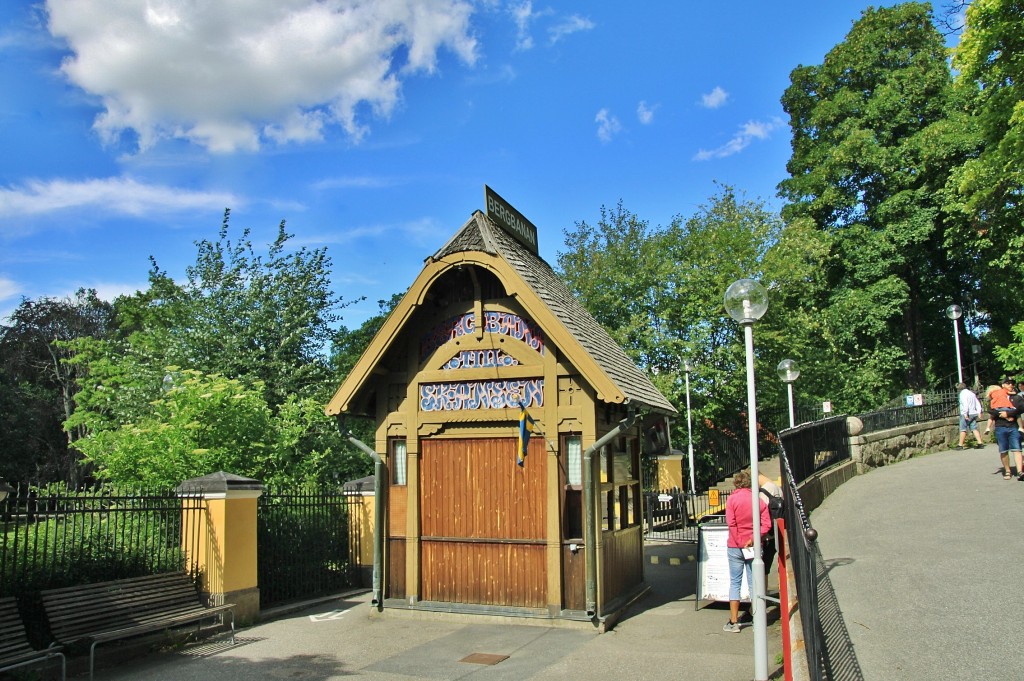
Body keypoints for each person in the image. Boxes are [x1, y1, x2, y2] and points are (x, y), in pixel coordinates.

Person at [723, 469, 770, 633]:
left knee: (735, 582)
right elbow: (766, 525)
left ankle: (734, 621)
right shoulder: (758, 501)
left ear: (736, 483)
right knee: (754, 583)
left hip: (735, 546)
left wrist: (740, 541)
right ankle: (757, 619)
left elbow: (731, 523)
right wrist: (752, 539)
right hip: (754, 547)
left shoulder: (732, 500)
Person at [989, 377, 1022, 480]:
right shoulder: (996, 395)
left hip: (1014, 427)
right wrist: (1001, 414)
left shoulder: (1016, 397)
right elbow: (991, 410)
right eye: (1008, 383)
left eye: (1012, 383)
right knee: (1003, 450)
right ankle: (1007, 471)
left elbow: (1021, 408)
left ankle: (1020, 471)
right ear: (1003, 385)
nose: (1010, 385)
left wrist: (1008, 413)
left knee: (1017, 449)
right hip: (1000, 426)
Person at [757, 472, 783, 573]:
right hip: (775, 530)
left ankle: (764, 589)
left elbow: (761, 512)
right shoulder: (776, 487)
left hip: (766, 535)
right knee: (766, 568)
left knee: (762, 571)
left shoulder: (763, 491)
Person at [956, 382, 985, 449]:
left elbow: (965, 404)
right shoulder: (971, 393)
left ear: (959, 389)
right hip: (973, 413)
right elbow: (977, 403)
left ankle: (960, 445)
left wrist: (965, 414)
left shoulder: (962, 394)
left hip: (966, 414)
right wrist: (979, 412)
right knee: (974, 428)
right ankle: (980, 443)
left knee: (963, 429)